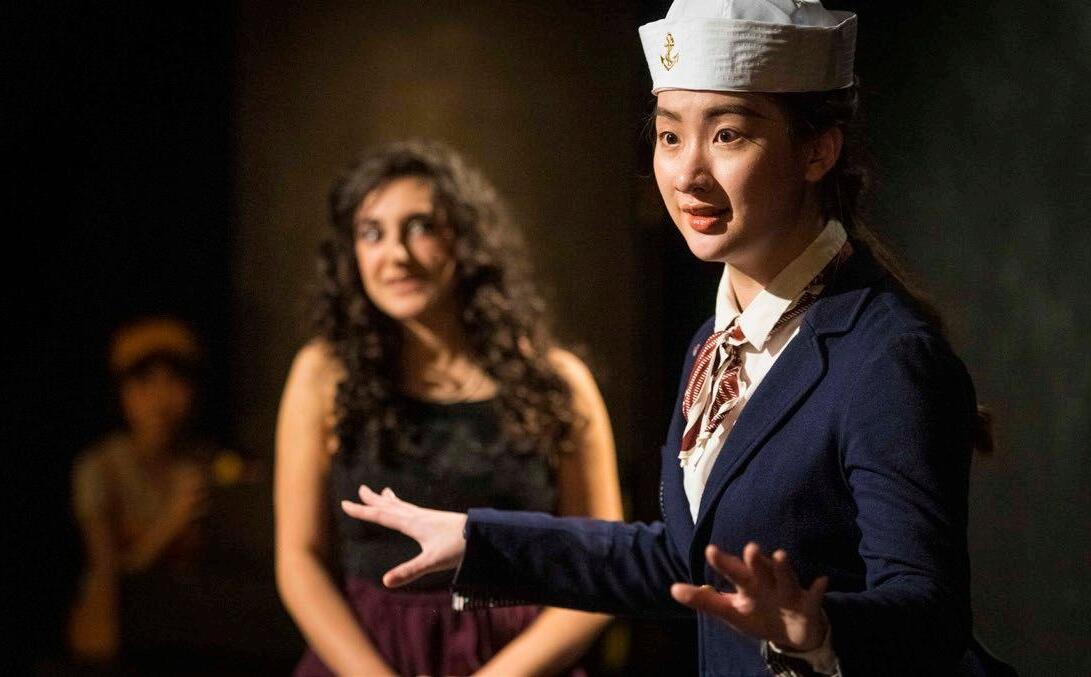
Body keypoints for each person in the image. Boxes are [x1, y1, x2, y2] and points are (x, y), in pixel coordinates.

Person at [341, 2, 1017, 676]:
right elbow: (681, 559)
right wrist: (479, 541)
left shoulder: (885, 355)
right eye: (669, 136)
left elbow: (929, 614)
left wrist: (817, 631)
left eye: (728, 135)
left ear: (817, 150)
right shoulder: (713, 341)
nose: (687, 173)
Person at [275, 141, 623, 676]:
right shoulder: (322, 375)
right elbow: (298, 559)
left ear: (466, 238)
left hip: (518, 662)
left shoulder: (557, 382)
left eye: (420, 227)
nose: (396, 254)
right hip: (364, 658)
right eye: (372, 233)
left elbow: (601, 566)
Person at [69, 317, 213, 663]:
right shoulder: (100, 467)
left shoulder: (204, 464)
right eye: (145, 382)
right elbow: (109, 577)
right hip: (114, 641)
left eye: (174, 381)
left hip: (191, 635)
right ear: (122, 394)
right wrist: (172, 520)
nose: (160, 399)